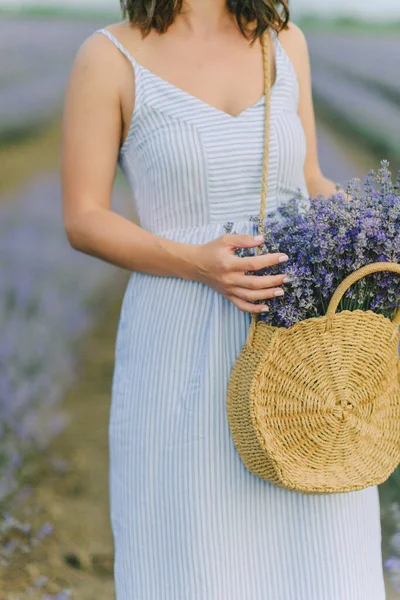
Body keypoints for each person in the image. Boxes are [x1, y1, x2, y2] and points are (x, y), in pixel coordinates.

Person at [60, 0, 386, 598]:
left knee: (317, 548)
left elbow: (310, 178)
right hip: (179, 334)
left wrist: (375, 234)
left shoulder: (284, 43)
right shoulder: (109, 57)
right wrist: (198, 262)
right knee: (193, 548)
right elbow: (83, 218)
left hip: (295, 340)